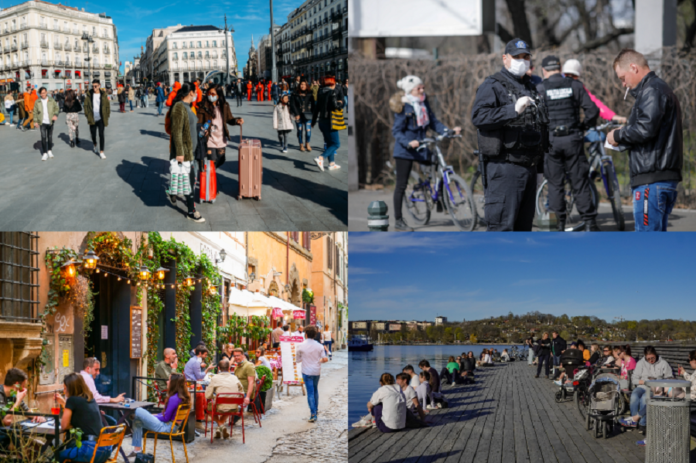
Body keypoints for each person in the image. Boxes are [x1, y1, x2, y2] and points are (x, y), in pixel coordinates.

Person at [471, 38, 550, 231]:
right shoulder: (493, 85)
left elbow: (539, 126)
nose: (522, 61)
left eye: (526, 57)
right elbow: (479, 117)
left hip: (529, 168)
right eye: (517, 57)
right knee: (502, 229)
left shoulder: (532, 86)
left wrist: (539, 168)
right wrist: (512, 109)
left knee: (524, 229)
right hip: (505, 167)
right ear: (505, 58)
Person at [606, 49, 683, 232]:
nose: (623, 84)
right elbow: (649, 128)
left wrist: (617, 135)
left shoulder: (652, 90)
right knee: (656, 245)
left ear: (634, 67)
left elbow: (645, 128)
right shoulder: (657, 89)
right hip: (658, 177)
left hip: (652, 179)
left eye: (622, 77)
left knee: (647, 245)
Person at [390, 75, 461, 231]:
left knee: (437, 164)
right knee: (401, 185)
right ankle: (399, 221)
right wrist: (408, 142)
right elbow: (396, 130)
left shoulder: (423, 102)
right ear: (410, 90)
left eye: (423, 87)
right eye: (418, 88)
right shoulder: (404, 106)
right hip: (405, 150)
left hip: (422, 145)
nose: (422, 90)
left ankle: (438, 196)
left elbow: (433, 122)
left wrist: (447, 131)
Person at [537, 55, 600, 231]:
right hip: (573, 139)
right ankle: (590, 223)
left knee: (555, 185)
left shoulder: (540, 89)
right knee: (579, 183)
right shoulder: (575, 85)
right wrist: (582, 127)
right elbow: (592, 110)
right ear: (560, 68)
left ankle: (557, 227)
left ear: (544, 70)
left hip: (551, 142)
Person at [128, 373, 191, 457]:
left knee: (138, 409)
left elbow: (165, 418)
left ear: (174, 383)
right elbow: (164, 415)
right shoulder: (181, 397)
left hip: (167, 427)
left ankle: (136, 416)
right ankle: (137, 450)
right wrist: (152, 416)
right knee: (137, 421)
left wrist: (151, 416)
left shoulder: (174, 399)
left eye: (169, 380)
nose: (167, 382)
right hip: (173, 427)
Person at [168, 82, 206, 223]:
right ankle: (191, 211)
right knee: (189, 181)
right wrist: (179, 152)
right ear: (191, 92)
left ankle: (176, 195)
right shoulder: (179, 107)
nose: (197, 94)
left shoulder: (188, 107)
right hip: (183, 151)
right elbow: (176, 131)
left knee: (188, 180)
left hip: (190, 150)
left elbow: (189, 128)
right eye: (195, 92)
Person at [53, 373, 110, 463]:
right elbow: (80, 418)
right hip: (105, 449)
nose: (64, 391)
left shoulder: (72, 400)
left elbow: (64, 426)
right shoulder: (91, 399)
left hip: (90, 450)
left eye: (64, 388)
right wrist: (64, 403)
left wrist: (70, 425)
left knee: (58, 455)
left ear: (70, 388)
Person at [620, 346, 673, 431]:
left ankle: (642, 423)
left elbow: (669, 378)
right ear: (645, 356)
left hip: (656, 388)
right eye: (648, 359)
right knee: (634, 396)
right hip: (643, 385)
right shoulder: (641, 363)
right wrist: (645, 382)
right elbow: (634, 379)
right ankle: (634, 421)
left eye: (652, 358)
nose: (651, 360)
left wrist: (659, 382)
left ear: (655, 354)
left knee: (645, 398)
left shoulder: (663, 363)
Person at [197, 84, 244, 170]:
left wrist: (237, 121)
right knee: (212, 161)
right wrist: (201, 128)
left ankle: (209, 175)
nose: (210, 96)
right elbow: (199, 121)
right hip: (209, 138)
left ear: (219, 95)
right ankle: (209, 178)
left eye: (213, 94)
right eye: (209, 93)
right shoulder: (203, 106)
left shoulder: (224, 105)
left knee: (221, 159)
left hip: (221, 138)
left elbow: (229, 118)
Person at [0, 368, 46, 452]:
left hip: (9, 434)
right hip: (2, 437)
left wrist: (36, 416)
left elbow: (26, 411)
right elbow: (6, 421)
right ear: (17, 385)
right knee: (29, 450)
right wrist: (18, 401)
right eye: (23, 386)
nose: (24, 389)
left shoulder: (13, 394)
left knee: (38, 446)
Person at [311, 76, 345, 172]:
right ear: (331, 84)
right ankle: (321, 158)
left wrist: (313, 121)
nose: (335, 85)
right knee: (336, 143)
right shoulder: (332, 92)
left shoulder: (320, 93)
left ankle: (332, 163)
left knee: (329, 143)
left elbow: (316, 109)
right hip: (330, 122)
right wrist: (340, 103)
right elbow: (335, 106)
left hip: (321, 121)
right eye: (334, 84)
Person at [295, 325, 328, 423]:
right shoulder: (319, 346)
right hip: (316, 371)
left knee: (310, 392)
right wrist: (318, 361)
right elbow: (325, 359)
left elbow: (297, 360)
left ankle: (313, 414)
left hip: (306, 371)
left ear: (305, 334)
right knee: (315, 390)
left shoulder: (300, 345)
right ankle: (316, 410)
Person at [205, 359, 243, 440]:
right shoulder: (235, 378)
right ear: (229, 368)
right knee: (228, 405)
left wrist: (214, 397)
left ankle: (220, 425)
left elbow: (208, 395)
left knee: (208, 407)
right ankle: (220, 428)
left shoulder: (215, 378)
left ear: (218, 368)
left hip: (220, 406)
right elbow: (242, 392)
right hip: (234, 407)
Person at [83, 80, 110, 160]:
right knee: (93, 134)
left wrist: (107, 115)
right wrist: (87, 115)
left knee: (101, 134)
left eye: (95, 86)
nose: (94, 88)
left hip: (101, 118)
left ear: (99, 85)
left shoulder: (103, 95)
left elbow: (107, 106)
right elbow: (85, 106)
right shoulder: (89, 94)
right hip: (92, 118)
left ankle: (101, 151)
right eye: (93, 86)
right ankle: (95, 144)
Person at [34, 87, 59, 161]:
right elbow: (35, 112)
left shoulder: (51, 100)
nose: (43, 94)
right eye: (42, 93)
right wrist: (35, 121)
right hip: (42, 122)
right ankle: (44, 153)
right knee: (43, 137)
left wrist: (55, 115)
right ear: (39, 94)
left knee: (50, 136)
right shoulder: (37, 101)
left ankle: (49, 151)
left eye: (44, 92)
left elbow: (56, 108)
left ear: (46, 92)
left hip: (50, 121)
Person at [290, 80, 315, 152]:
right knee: (299, 130)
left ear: (307, 85)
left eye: (304, 84)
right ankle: (301, 144)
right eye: (301, 84)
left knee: (308, 130)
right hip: (298, 114)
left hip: (307, 115)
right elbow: (292, 104)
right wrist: (296, 114)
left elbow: (313, 104)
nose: (302, 86)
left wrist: (312, 114)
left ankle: (307, 143)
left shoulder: (310, 93)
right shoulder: (295, 93)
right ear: (299, 85)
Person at [232, 347, 257, 413]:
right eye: (235, 356)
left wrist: (248, 397)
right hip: (237, 392)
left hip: (244, 393)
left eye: (238, 355)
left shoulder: (249, 365)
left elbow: (251, 382)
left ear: (243, 355)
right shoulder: (237, 366)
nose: (236, 357)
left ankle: (233, 416)